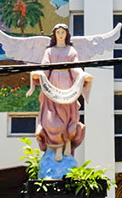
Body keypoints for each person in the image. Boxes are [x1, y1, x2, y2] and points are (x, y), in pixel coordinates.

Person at [28, 24, 90, 162]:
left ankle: (67, 142)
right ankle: (56, 147)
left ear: (66, 34)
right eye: (58, 32)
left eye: (63, 32)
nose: (60, 34)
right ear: (54, 34)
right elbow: (45, 68)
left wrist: (83, 76)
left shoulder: (71, 50)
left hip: (67, 88)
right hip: (51, 89)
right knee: (50, 120)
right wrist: (38, 75)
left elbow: (75, 68)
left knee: (68, 117)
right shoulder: (49, 51)